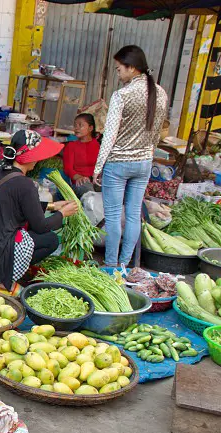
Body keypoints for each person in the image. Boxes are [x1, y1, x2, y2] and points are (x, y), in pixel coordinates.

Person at [0, 130, 79, 291]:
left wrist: (53, 206)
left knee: (28, 231)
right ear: (29, 157)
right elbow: (41, 226)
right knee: (50, 240)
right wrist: (62, 214)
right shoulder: (25, 184)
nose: (38, 160)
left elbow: (18, 203)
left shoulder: (2, 171)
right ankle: (3, 275)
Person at [93, 45, 167, 267]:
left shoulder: (122, 95)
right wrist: (149, 153)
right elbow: (157, 133)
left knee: (114, 216)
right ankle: (125, 266)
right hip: (144, 162)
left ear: (132, 68)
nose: (117, 73)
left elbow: (109, 136)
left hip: (118, 163)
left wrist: (98, 166)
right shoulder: (160, 92)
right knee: (134, 214)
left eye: (118, 69)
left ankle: (111, 265)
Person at [62, 113, 100, 199]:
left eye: (81, 125)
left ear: (90, 128)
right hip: (79, 183)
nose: (77, 128)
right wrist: (79, 177)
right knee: (88, 190)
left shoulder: (98, 146)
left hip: (95, 181)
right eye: (75, 125)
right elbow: (68, 169)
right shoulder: (71, 146)